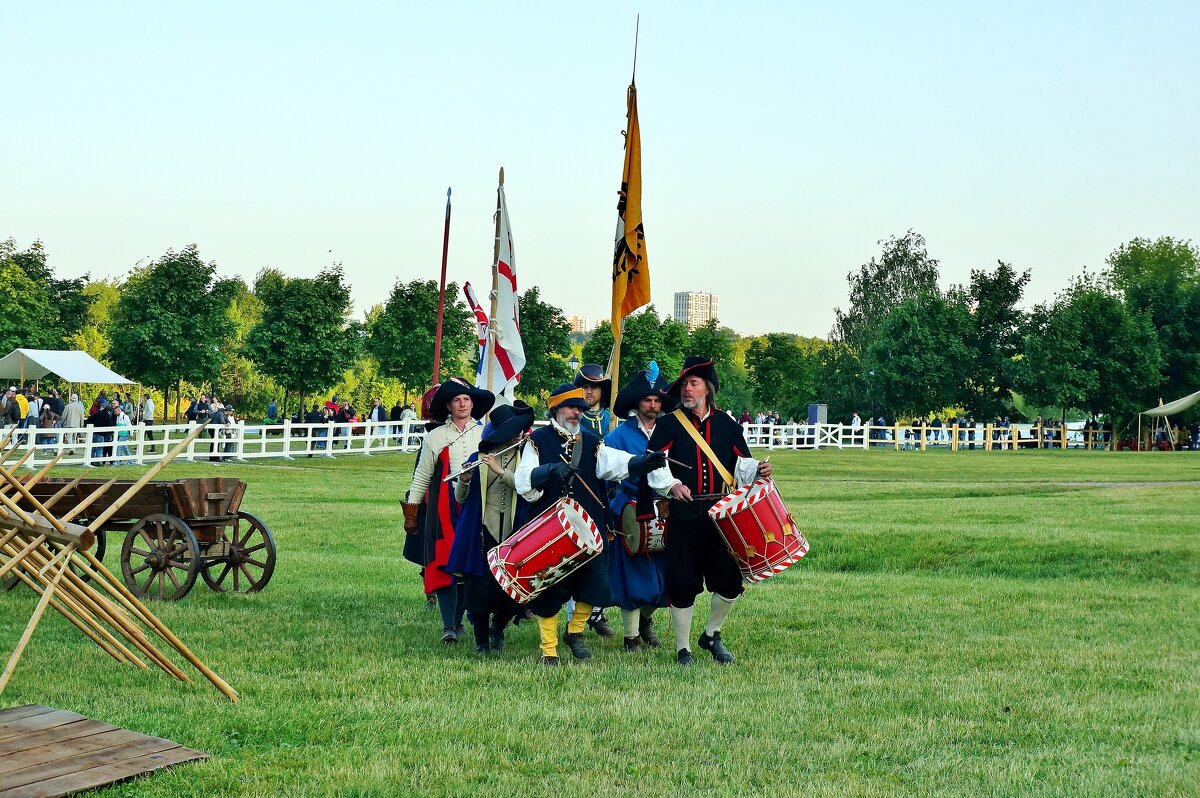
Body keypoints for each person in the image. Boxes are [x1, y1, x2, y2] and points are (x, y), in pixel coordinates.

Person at [513, 383, 664, 665]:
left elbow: (614, 463)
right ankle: (549, 648)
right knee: (548, 586)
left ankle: (575, 631)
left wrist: (642, 462)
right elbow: (523, 479)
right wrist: (548, 470)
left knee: (593, 583)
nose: (575, 413)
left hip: (587, 525)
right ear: (555, 409)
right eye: (570, 407)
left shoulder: (593, 441)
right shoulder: (537, 441)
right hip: (549, 526)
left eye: (580, 408)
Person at [644, 356, 773, 666]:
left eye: (694, 383)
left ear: (708, 388)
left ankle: (712, 634)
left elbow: (741, 466)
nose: (687, 390)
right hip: (683, 514)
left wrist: (759, 469)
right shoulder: (668, 423)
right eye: (685, 384)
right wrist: (673, 485)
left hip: (719, 515)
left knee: (729, 582)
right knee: (684, 582)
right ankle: (683, 648)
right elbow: (653, 464)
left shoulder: (728, 425)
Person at [402, 378, 496, 644]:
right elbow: (422, 476)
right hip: (444, 510)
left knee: (470, 566)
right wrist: (411, 513)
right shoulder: (435, 437)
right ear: (448, 405)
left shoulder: (486, 434)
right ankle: (449, 626)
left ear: (472, 403)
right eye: (457, 400)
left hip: (478, 506)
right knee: (444, 565)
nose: (462, 403)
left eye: (466, 399)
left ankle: (463, 619)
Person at [447, 401, 535, 654]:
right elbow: (461, 498)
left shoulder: (526, 459)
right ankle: (481, 641)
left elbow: (527, 488)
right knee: (480, 590)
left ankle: (499, 626)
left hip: (515, 533)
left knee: (515, 592)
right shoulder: (477, 459)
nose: (520, 435)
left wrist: (499, 470)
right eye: (515, 431)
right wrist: (463, 480)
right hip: (482, 534)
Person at [604, 362, 674, 651]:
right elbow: (605, 470)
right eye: (648, 399)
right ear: (637, 403)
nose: (653, 405)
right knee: (634, 578)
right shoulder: (618, 436)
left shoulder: (671, 430)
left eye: (657, 400)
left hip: (666, 509)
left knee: (666, 578)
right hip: (631, 511)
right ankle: (631, 635)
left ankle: (646, 621)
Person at [571, 362, 616, 637]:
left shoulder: (611, 419)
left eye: (594, 387)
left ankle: (597, 611)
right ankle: (572, 613)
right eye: (585, 387)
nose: (589, 392)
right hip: (579, 486)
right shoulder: (575, 418)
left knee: (604, 550)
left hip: (606, 489)